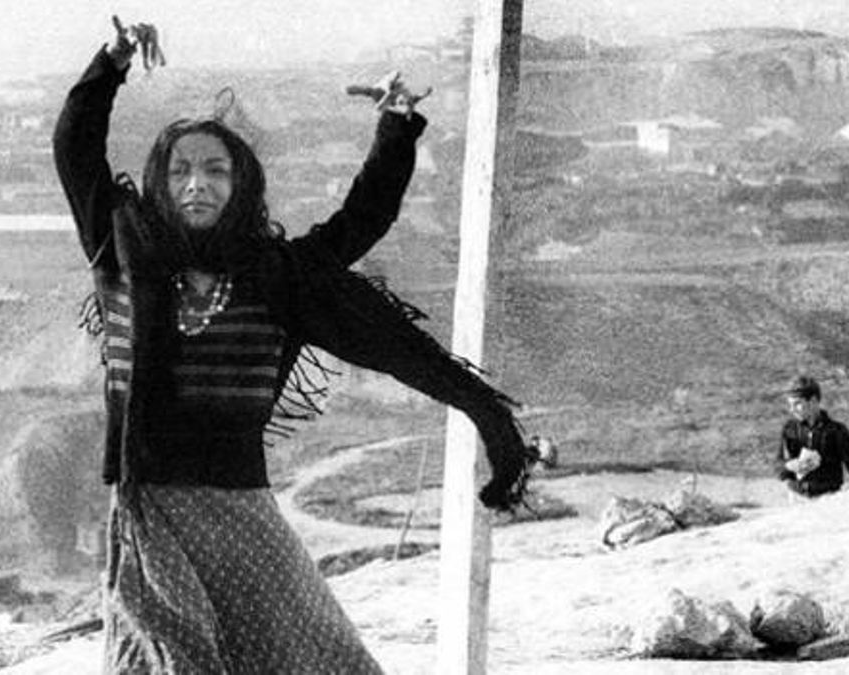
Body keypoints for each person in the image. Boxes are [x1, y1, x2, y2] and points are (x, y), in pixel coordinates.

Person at [53, 16, 532, 673]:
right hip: (149, 509)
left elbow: (361, 219)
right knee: (170, 662)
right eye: (181, 171)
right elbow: (76, 149)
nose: (198, 184)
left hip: (243, 512)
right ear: (160, 185)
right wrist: (110, 63)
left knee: (320, 658)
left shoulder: (279, 276)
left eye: (216, 171)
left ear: (240, 185)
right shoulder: (120, 249)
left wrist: (394, 127)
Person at [777, 375, 849, 498]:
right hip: (797, 499)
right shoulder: (789, 429)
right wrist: (789, 465)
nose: (792, 410)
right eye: (790, 405)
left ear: (813, 401)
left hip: (829, 500)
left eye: (797, 404)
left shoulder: (837, 430)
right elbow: (779, 465)